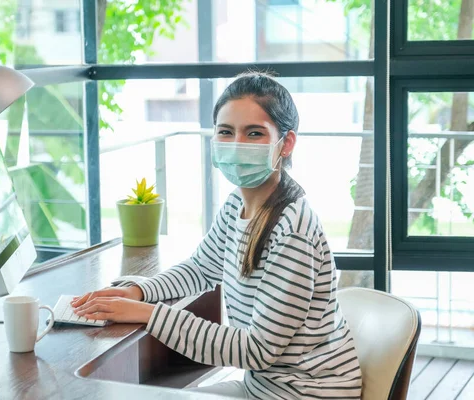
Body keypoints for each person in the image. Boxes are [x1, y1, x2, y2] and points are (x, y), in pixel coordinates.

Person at [71, 72, 362, 400]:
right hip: (265, 389)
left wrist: (146, 313)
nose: (237, 143)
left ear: (286, 143)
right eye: (226, 132)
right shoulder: (239, 202)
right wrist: (135, 292)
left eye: (254, 133)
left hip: (307, 395)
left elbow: (257, 352)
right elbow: (199, 269)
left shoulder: (293, 233)